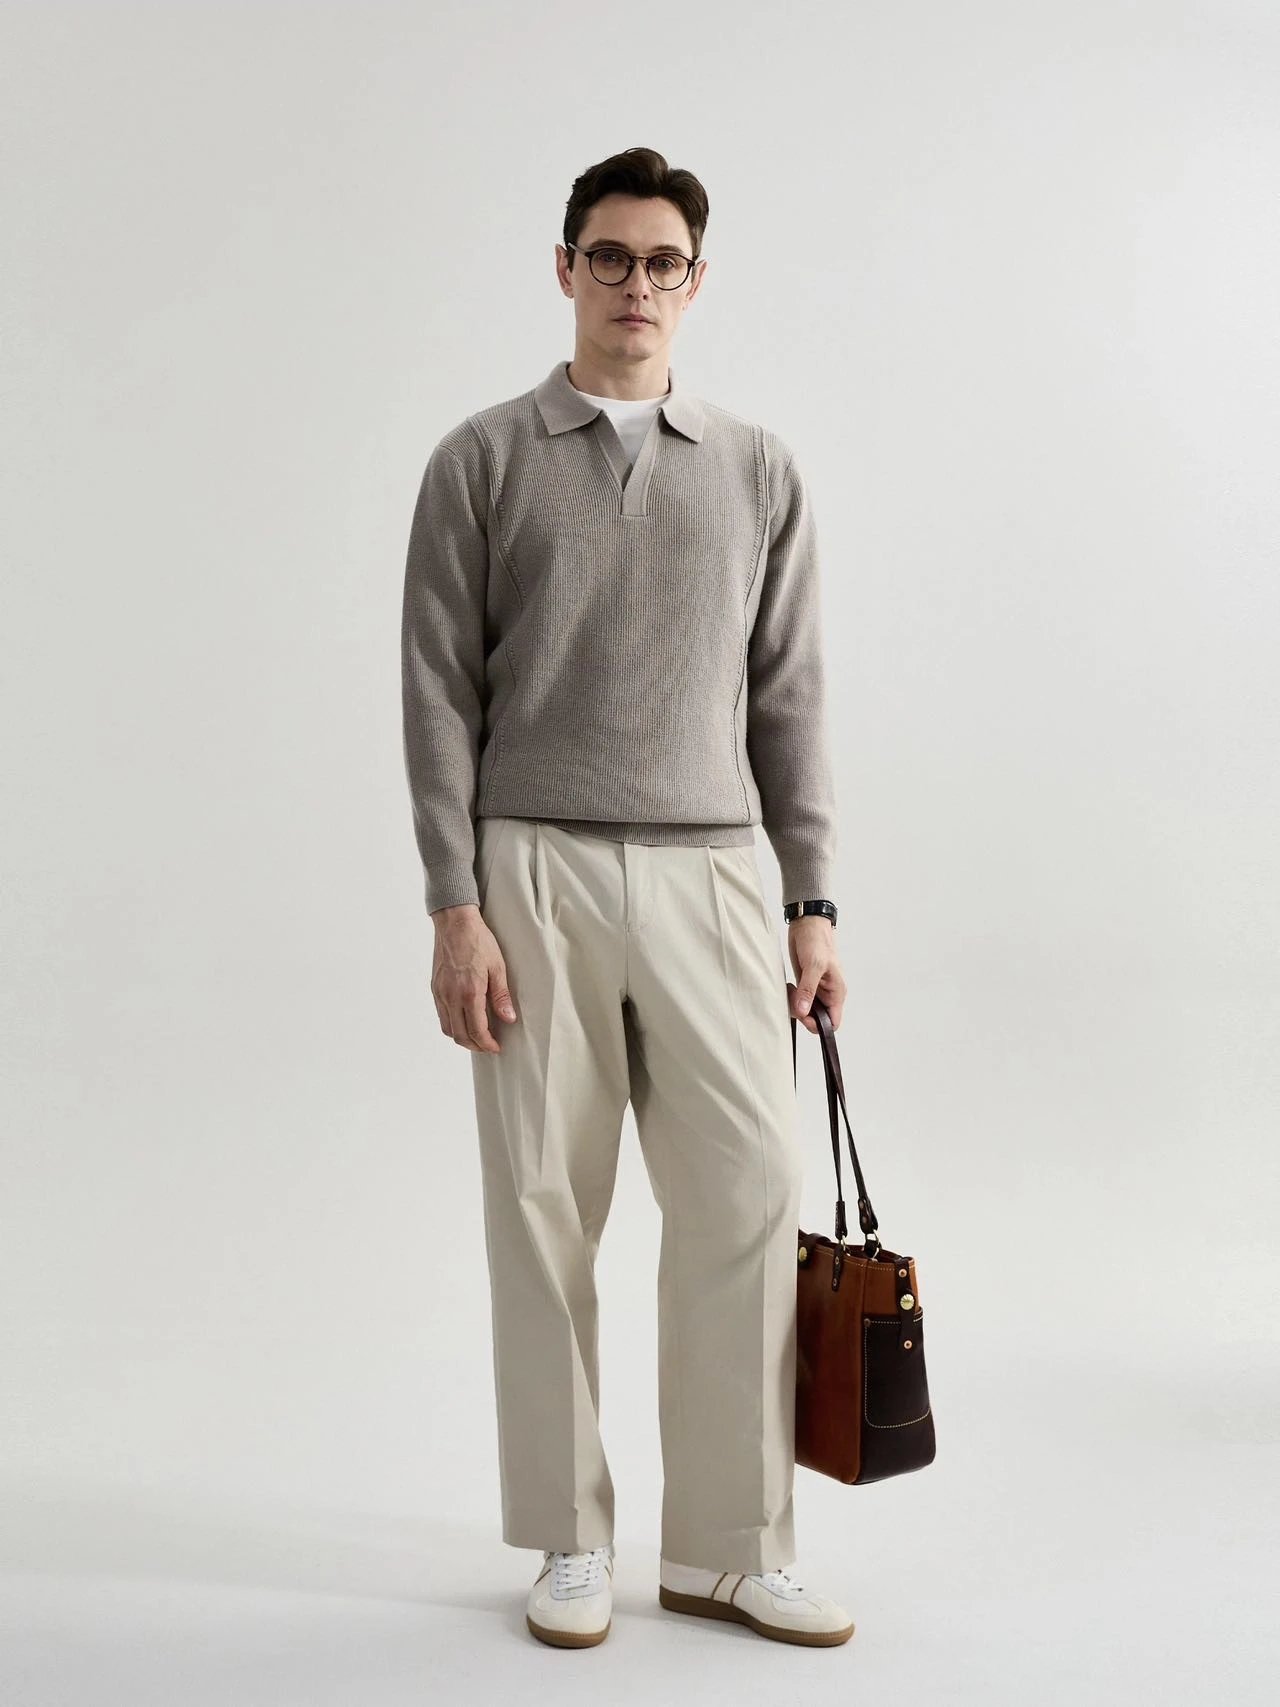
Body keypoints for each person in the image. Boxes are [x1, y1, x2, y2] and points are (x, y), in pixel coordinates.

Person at [400, 146, 853, 1649]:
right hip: (530, 865)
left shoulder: (757, 468)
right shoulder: (482, 459)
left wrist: (813, 900)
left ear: (696, 281)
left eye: (663, 262)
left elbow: (789, 695)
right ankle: (570, 1537)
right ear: (566, 269)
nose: (636, 284)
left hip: (716, 869)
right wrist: (454, 903)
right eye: (610, 256)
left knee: (748, 1198)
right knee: (544, 1207)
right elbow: (436, 696)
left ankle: (729, 1546)